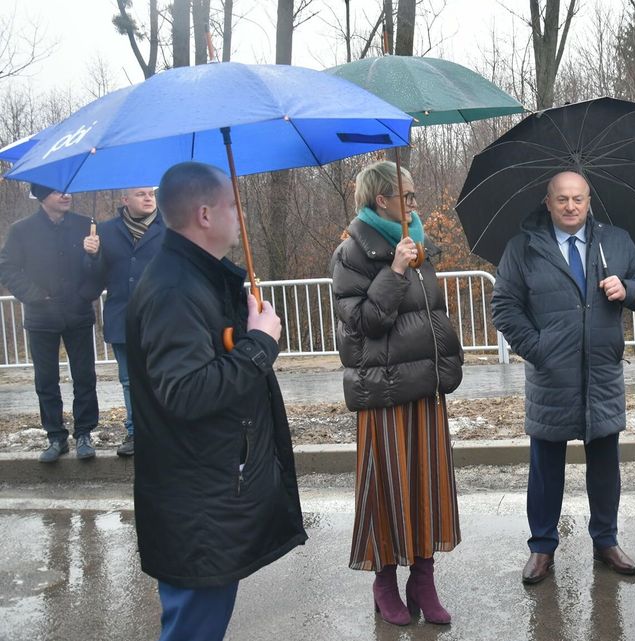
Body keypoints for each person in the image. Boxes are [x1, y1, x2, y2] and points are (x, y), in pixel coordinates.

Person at [126, 162, 306, 641]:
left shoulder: (196, 277)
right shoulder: (174, 289)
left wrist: (246, 329)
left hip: (209, 489)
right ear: (205, 215)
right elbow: (185, 392)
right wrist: (260, 344)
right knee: (193, 628)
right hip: (195, 505)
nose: (240, 217)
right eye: (233, 205)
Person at [491, 170, 635, 586]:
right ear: (547, 202)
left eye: (578, 199)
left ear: (588, 201)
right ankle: (542, 548)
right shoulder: (523, 248)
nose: (570, 207)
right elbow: (505, 307)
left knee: (605, 468)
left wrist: (628, 289)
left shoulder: (615, 241)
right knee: (545, 470)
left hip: (601, 375)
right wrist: (539, 348)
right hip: (551, 377)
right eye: (562, 199)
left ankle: (606, 541)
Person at [330, 160, 464, 626]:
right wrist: (394, 270)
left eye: (414, 196)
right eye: (406, 197)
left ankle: (423, 580)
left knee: (427, 484)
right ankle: (384, 581)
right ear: (380, 200)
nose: (414, 203)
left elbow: (432, 314)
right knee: (388, 486)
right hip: (383, 391)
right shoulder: (352, 251)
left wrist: (447, 362)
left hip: (424, 387)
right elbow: (364, 323)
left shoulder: (417, 242)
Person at [0, 183, 101, 463]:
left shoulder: (87, 225)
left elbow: (100, 268)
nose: (66, 194)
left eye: (69, 189)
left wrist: (93, 259)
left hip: (78, 313)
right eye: (58, 191)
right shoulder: (22, 230)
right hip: (41, 316)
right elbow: (6, 267)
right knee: (46, 380)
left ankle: (84, 434)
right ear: (43, 196)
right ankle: (55, 436)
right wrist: (33, 295)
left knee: (84, 377)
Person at [83, 186, 165, 457]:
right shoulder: (105, 231)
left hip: (162, 317)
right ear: (125, 199)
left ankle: (167, 431)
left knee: (164, 376)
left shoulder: (171, 227)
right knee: (130, 380)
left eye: (151, 193)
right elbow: (95, 280)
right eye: (141, 194)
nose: (148, 198)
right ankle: (135, 432)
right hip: (123, 318)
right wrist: (92, 255)